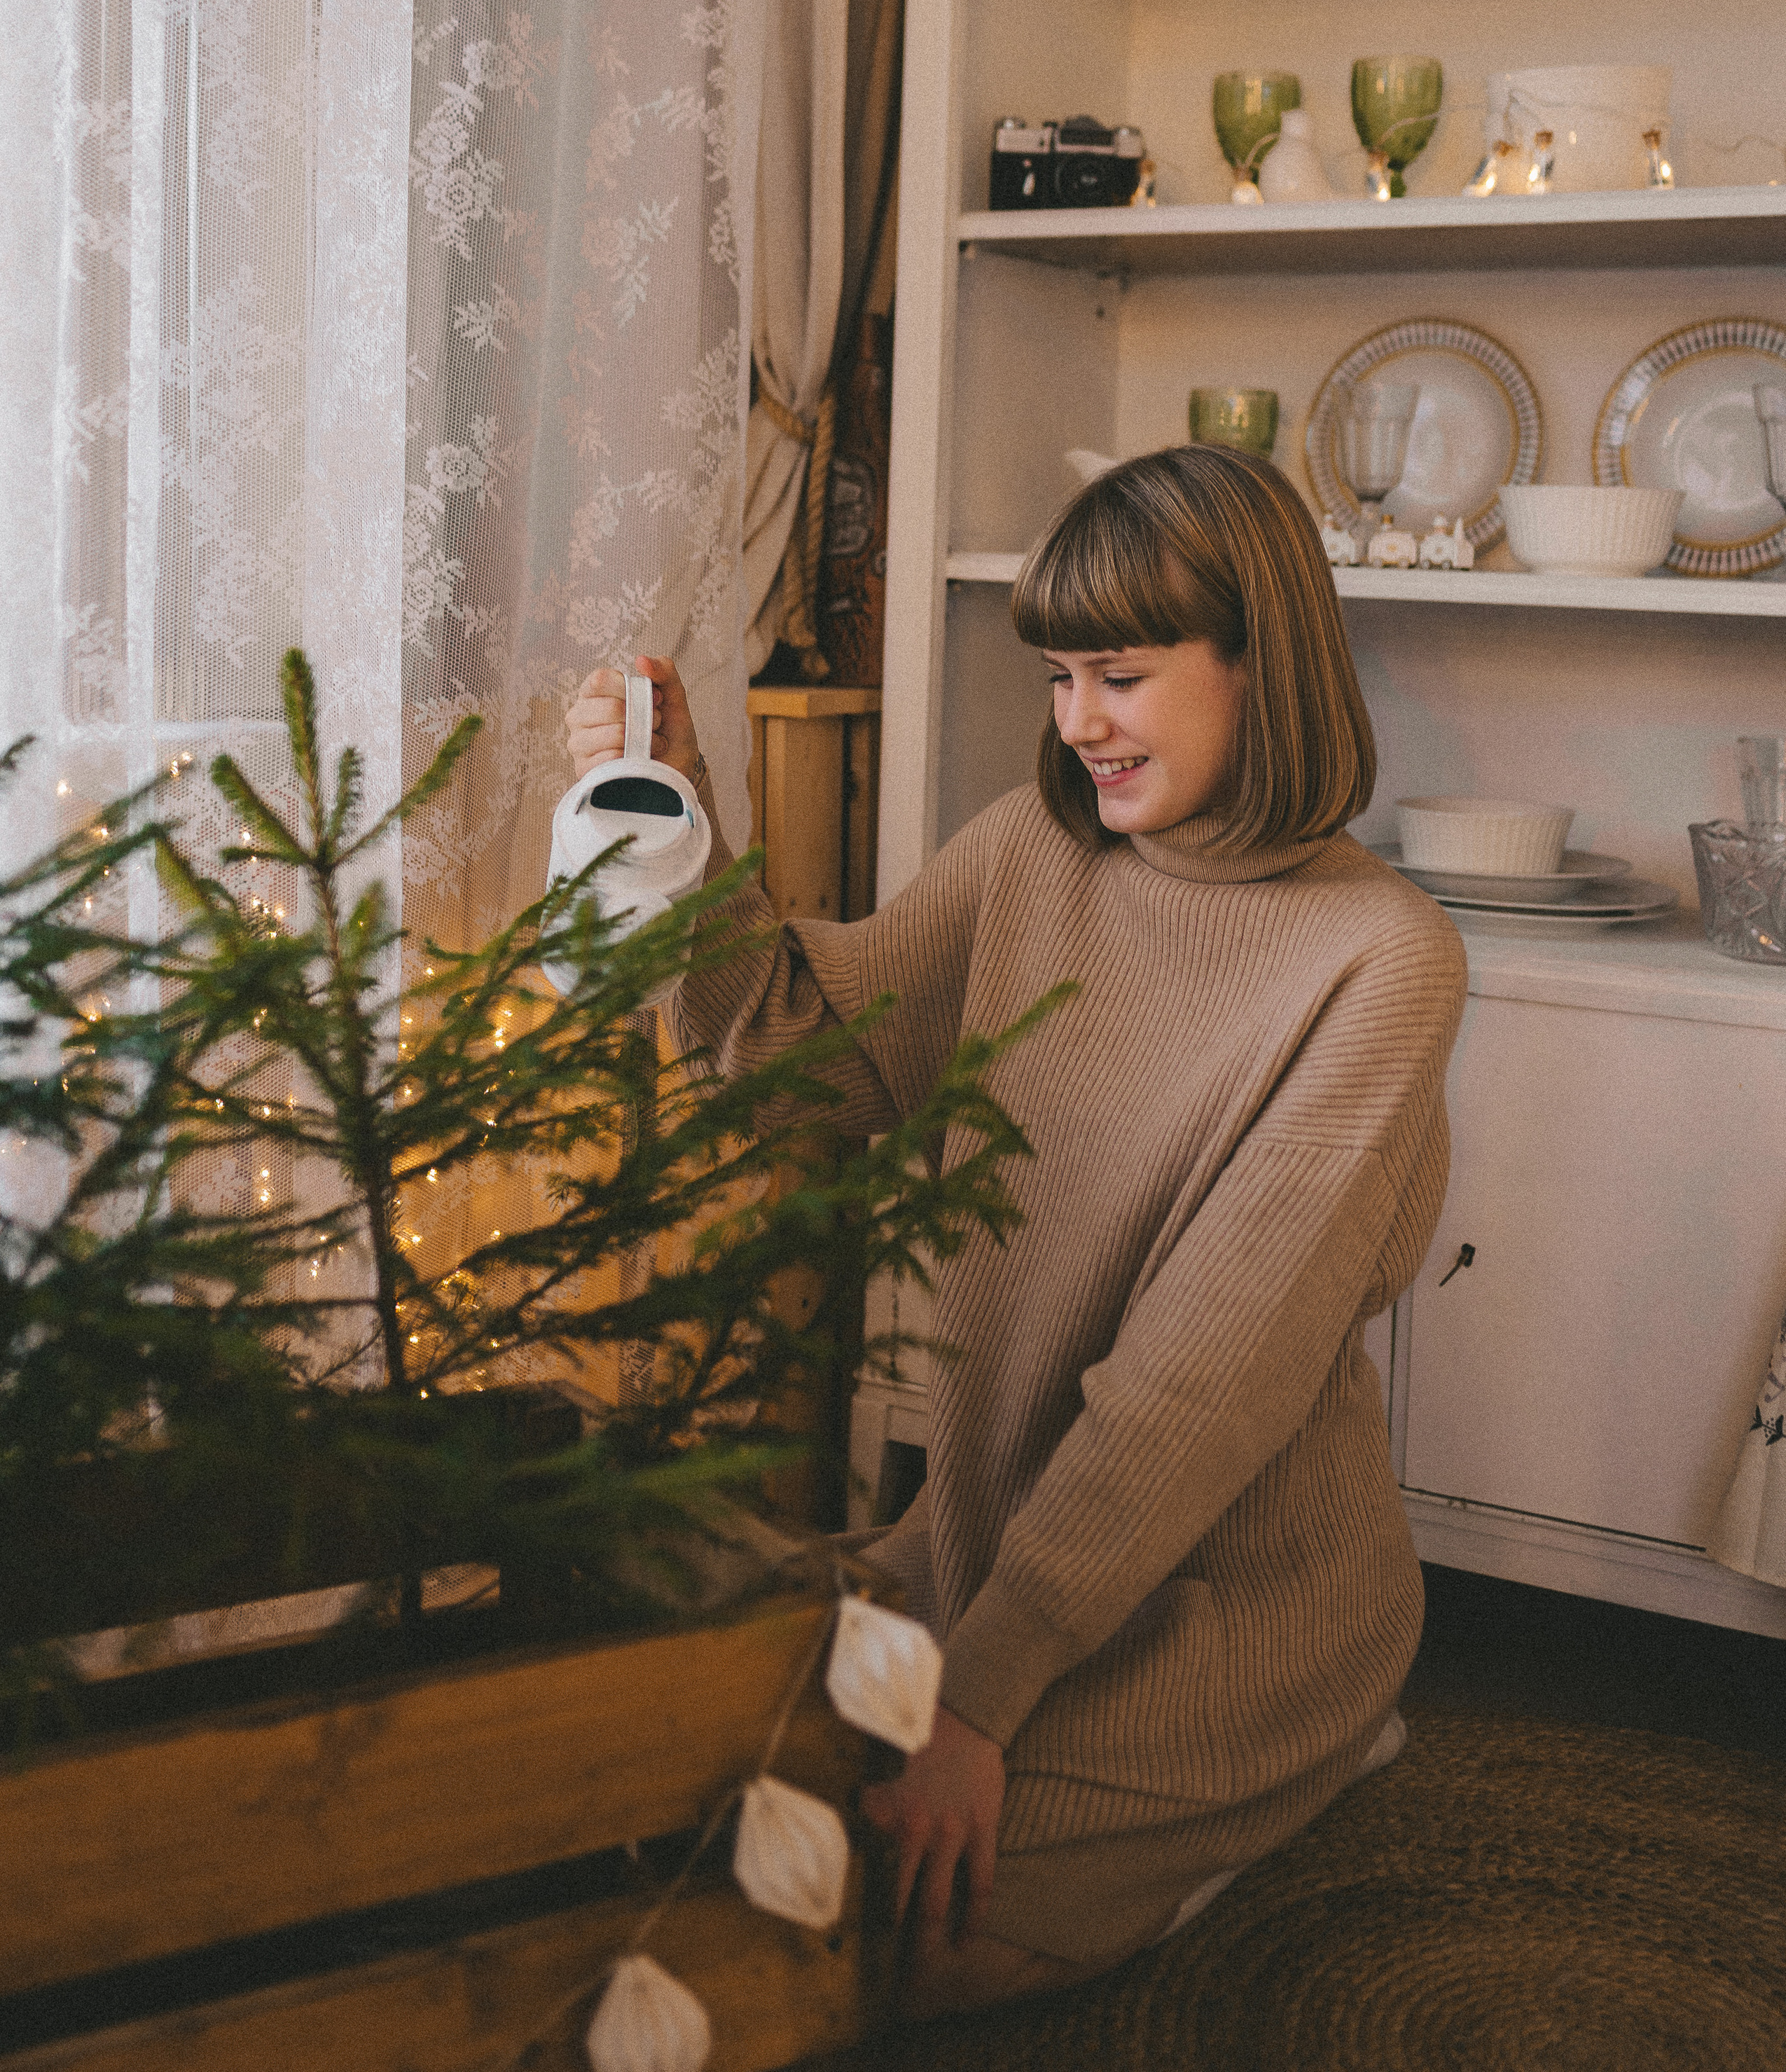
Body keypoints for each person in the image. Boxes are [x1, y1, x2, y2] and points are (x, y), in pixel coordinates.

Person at [564, 446, 1467, 2019]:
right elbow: (800, 1053)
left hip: (1225, 1604)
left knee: (888, 1942)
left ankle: (1286, 1772)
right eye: (1057, 677)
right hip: (983, 1542)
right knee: (703, 1829)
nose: (1075, 724)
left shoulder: (1380, 958)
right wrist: (678, 822)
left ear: (1266, 662)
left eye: (1119, 674)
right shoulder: (1033, 851)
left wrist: (975, 1707)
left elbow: (1202, 1380)